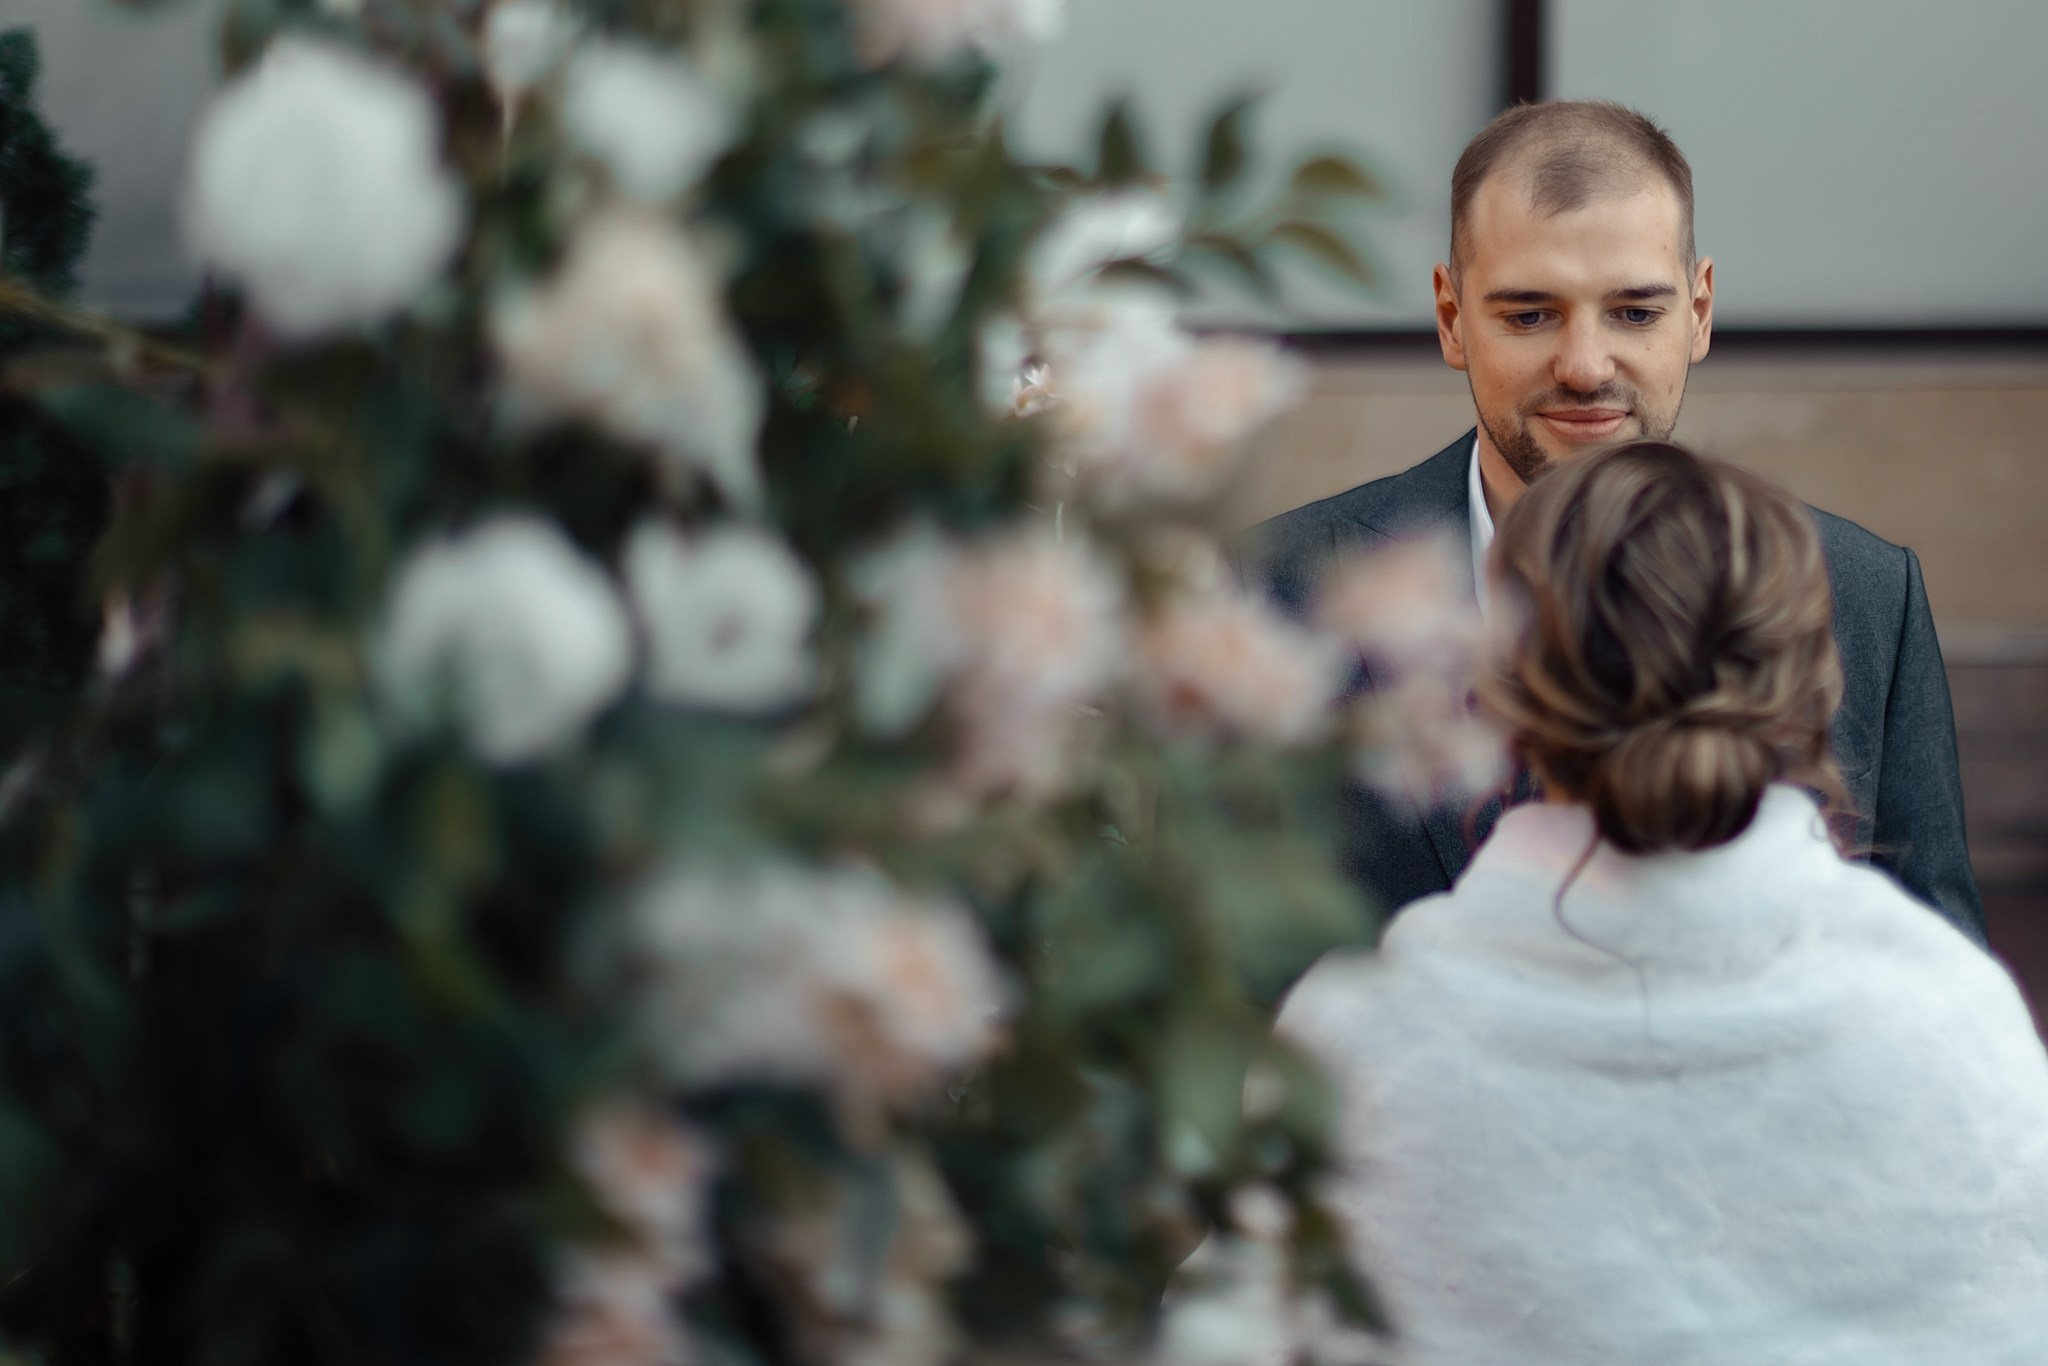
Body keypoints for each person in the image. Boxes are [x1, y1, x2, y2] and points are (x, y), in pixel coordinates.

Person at [1276, 441, 2048, 1365]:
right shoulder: (1953, 1019)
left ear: (1498, 700)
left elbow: (1235, 1328)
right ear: (1815, 687)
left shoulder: (1358, 1034)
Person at [1240, 100, 1983, 941]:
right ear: (1451, 319)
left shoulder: (1865, 591)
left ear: (1699, 312)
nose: (1585, 366)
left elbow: (1935, 961)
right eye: (1529, 314)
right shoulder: (1281, 584)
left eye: (1635, 312)